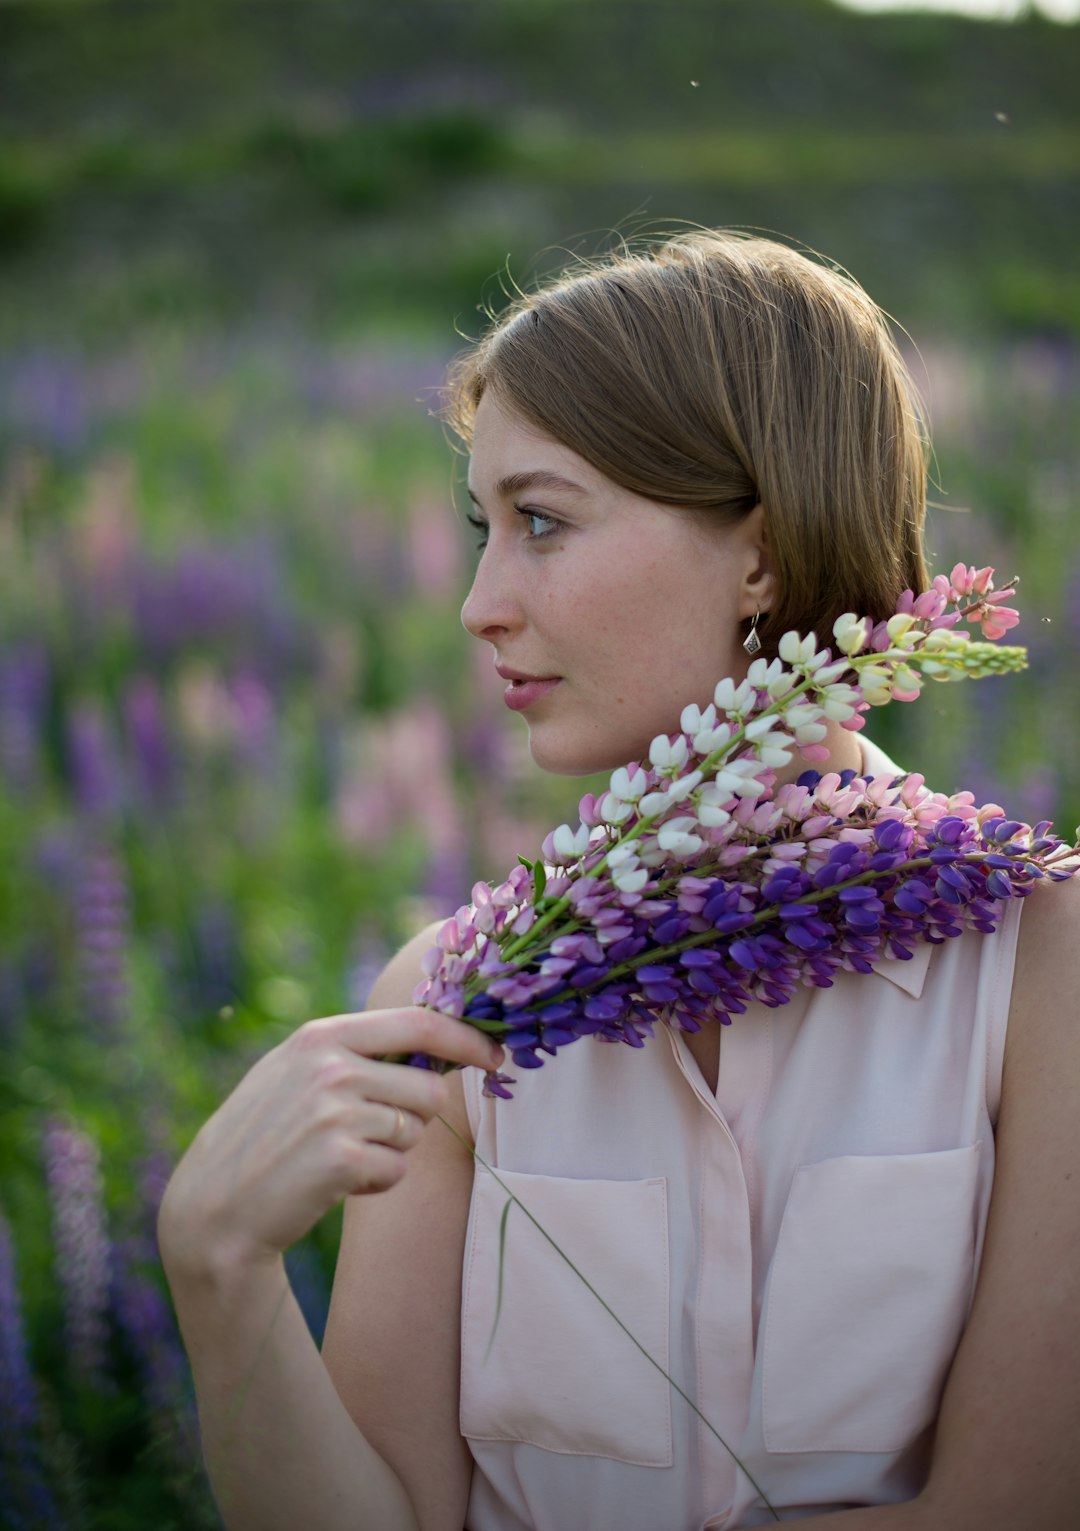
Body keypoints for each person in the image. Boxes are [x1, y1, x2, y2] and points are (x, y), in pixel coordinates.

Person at [157, 230, 1080, 1530]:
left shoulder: (1040, 956)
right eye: (484, 531)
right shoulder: (458, 999)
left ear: (760, 553)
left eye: (541, 521)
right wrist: (218, 1270)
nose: (479, 603)